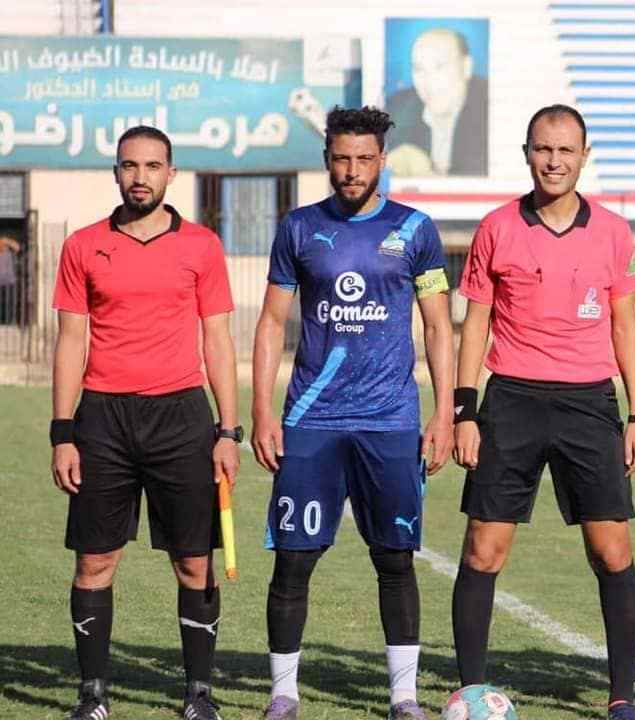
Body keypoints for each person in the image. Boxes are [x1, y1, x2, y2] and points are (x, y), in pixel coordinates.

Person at [251, 105, 454, 720]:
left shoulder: (415, 229)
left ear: (382, 160)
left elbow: (438, 327)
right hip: (312, 420)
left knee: (394, 559)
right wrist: (262, 412)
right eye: (342, 158)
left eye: (364, 159)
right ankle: (283, 694)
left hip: (390, 420)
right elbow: (271, 323)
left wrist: (443, 413)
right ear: (327, 159)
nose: (352, 170)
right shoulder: (298, 228)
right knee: (294, 559)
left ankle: (404, 697)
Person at [451, 103, 635, 720]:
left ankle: (622, 696)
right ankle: (472, 695)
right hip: (511, 400)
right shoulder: (496, 227)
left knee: (612, 551)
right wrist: (464, 410)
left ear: (584, 156)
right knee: (483, 550)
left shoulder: (613, 231)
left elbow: (624, 325)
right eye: (543, 149)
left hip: (589, 403)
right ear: (527, 153)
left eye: (565, 150)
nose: (554, 161)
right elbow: (475, 321)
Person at [51, 125, 241, 720]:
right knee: (95, 561)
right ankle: (93, 695)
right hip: (102, 420)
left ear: (170, 174)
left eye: (152, 166)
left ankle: (198, 694)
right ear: (116, 172)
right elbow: (70, 340)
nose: (140, 177)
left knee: (194, 562)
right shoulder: (83, 245)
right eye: (130, 166)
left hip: (182, 417)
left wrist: (228, 432)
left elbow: (217, 339)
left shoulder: (202, 246)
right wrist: (63, 433)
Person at [385, 27, 488, 176]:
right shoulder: (396, 108)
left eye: (440, 67)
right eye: (419, 69)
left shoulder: (492, 107)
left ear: (466, 67)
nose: (428, 82)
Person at [0, 234, 21, 324]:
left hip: (9, 281)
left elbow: (18, 247)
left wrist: (7, 241)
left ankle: (10, 321)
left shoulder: (9, 251)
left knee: (10, 303)